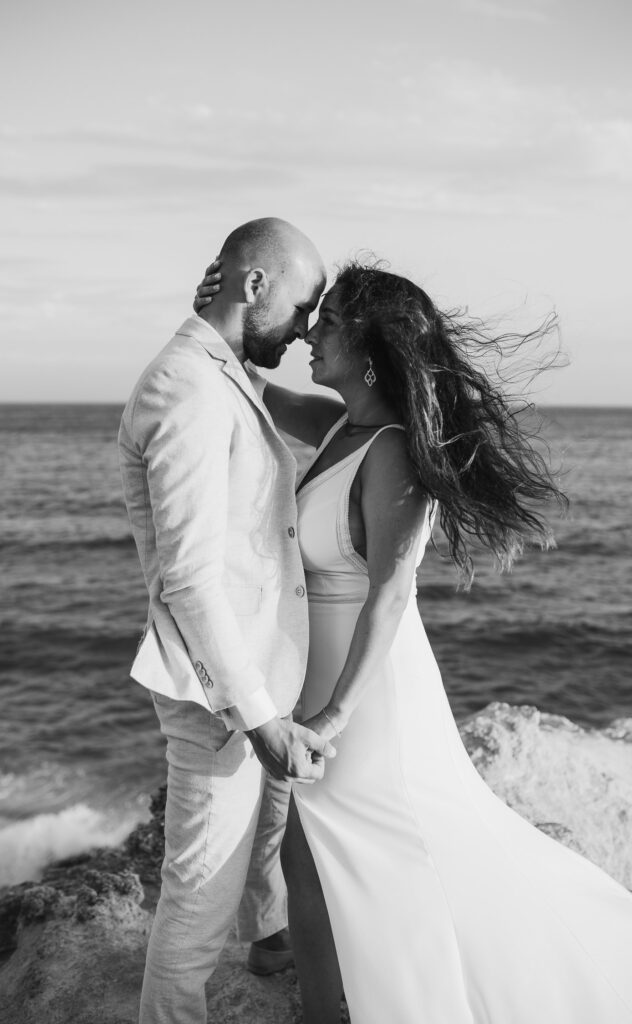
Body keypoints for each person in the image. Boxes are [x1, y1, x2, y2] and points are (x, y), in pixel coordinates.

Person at [195, 259, 632, 1023]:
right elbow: (245, 391)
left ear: (366, 346)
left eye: (323, 325)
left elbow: (389, 595)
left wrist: (333, 717)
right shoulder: (339, 429)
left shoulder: (391, 450)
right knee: (310, 848)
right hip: (318, 668)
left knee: (376, 843)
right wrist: (218, 317)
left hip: (369, 684)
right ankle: (328, 1003)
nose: (308, 337)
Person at [117, 217, 337, 1024]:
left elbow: (314, 416)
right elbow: (191, 578)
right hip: (220, 696)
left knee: (263, 838)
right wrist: (257, 717)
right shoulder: (186, 386)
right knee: (195, 898)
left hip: (257, 674)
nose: (308, 327)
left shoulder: (224, 370)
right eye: (303, 307)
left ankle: (271, 938)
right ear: (255, 287)